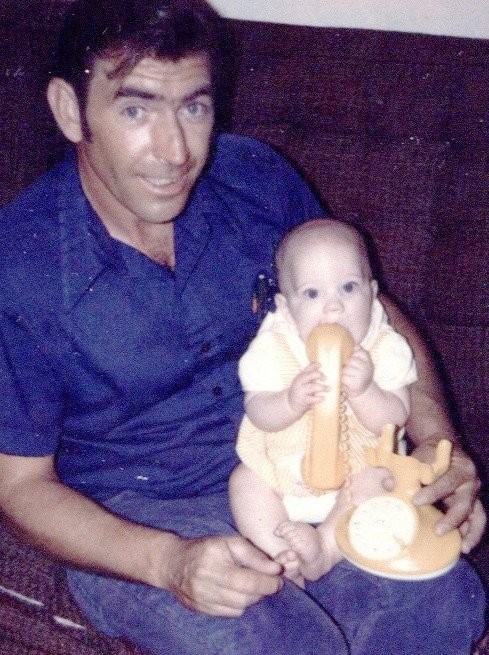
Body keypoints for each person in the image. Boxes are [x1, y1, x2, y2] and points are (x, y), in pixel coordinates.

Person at [0, 1, 485, 653]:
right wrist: (167, 562)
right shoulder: (20, 264)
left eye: (193, 107)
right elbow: (19, 486)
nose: (174, 151)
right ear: (69, 110)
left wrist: (436, 443)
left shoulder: (255, 178)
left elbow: (372, 315)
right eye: (136, 110)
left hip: (299, 470)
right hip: (138, 509)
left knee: (443, 605)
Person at [230, 218, 417, 586]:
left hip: (358, 473)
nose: (334, 307)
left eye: (348, 287)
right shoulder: (273, 346)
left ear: (372, 293)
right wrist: (289, 402)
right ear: (286, 307)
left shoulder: (385, 347)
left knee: (382, 483)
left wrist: (366, 391)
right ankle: (280, 557)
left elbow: (396, 418)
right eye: (312, 294)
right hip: (282, 469)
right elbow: (258, 411)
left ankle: (326, 549)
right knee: (245, 482)